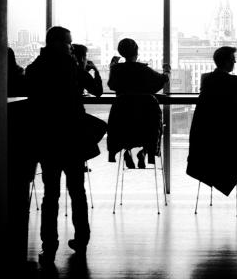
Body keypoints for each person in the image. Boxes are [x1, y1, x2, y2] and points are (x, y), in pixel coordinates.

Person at [25, 27, 92, 264]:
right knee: (77, 191)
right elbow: (96, 90)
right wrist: (85, 69)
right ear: (58, 43)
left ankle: (49, 246)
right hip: (72, 137)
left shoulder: (36, 67)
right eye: (68, 43)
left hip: (48, 137)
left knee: (50, 194)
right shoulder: (72, 66)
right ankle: (81, 239)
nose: (71, 47)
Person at [187, 46, 237, 196]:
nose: (235, 62)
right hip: (229, 135)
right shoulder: (235, 80)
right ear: (227, 62)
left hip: (209, 135)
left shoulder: (205, 78)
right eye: (233, 59)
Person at [106, 38, 170, 169]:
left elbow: (112, 84)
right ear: (137, 52)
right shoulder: (144, 70)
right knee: (150, 128)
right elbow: (162, 80)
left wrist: (112, 67)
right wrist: (167, 71)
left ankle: (127, 150)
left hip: (125, 120)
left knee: (127, 128)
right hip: (145, 120)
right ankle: (145, 152)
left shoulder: (117, 70)